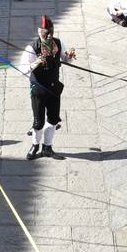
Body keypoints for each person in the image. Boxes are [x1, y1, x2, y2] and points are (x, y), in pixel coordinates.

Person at [20, 17, 76, 160]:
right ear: (40, 32)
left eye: (51, 32)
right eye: (46, 33)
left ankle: (47, 147)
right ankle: (35, 145)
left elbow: (64, 59)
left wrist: (69, 56)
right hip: (38, 89)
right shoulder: (32, 48)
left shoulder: (58, 43)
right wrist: (36, 63)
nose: (49, 36)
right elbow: (23, 69)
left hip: (53, 88)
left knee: (53, 119)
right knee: (38, 122)